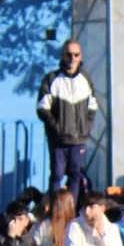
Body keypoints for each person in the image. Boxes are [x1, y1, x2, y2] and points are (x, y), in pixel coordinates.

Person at [37, 41, 99, 200]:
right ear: (62, 55)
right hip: (58, 140)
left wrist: (86, 127)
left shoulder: (85, 79)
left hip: (79, 140)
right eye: (69, 54)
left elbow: (92, 106)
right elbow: (42, 108)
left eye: (76, 54)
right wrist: (57, 128)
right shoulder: (51, 79)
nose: (72, 58)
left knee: (75, 175)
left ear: (81, 57)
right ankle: (55, 212)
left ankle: (70, 213)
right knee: (57, 175)